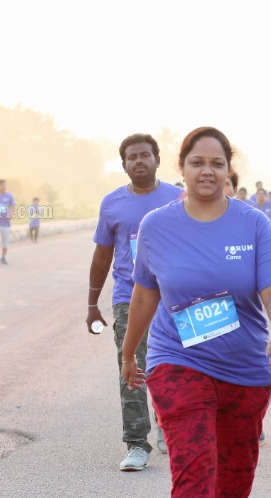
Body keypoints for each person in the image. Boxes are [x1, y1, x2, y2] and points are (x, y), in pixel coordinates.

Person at [120, 126, 271, 498]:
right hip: (178, 361)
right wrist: (130, 353)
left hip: (244, 368)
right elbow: (146, 295)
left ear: (228, 169)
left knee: (236, 470)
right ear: (182, 168)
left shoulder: (254, 224)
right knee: (194, 465)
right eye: (197, 162)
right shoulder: (156, 226)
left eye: (216, 162)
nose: (207, 171)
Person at [87, 134, 183, 471]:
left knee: (174, 367)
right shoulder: (112, 204)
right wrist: (91, 304)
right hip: (130, 298)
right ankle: (136, 443)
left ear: (157, 160)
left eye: (145, 155)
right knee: (131, 367)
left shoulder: (178, 197)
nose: (138, 161)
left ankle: (168, 432)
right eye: (132, 157)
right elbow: (102, 256)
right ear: (124, 164)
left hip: (176, 297)